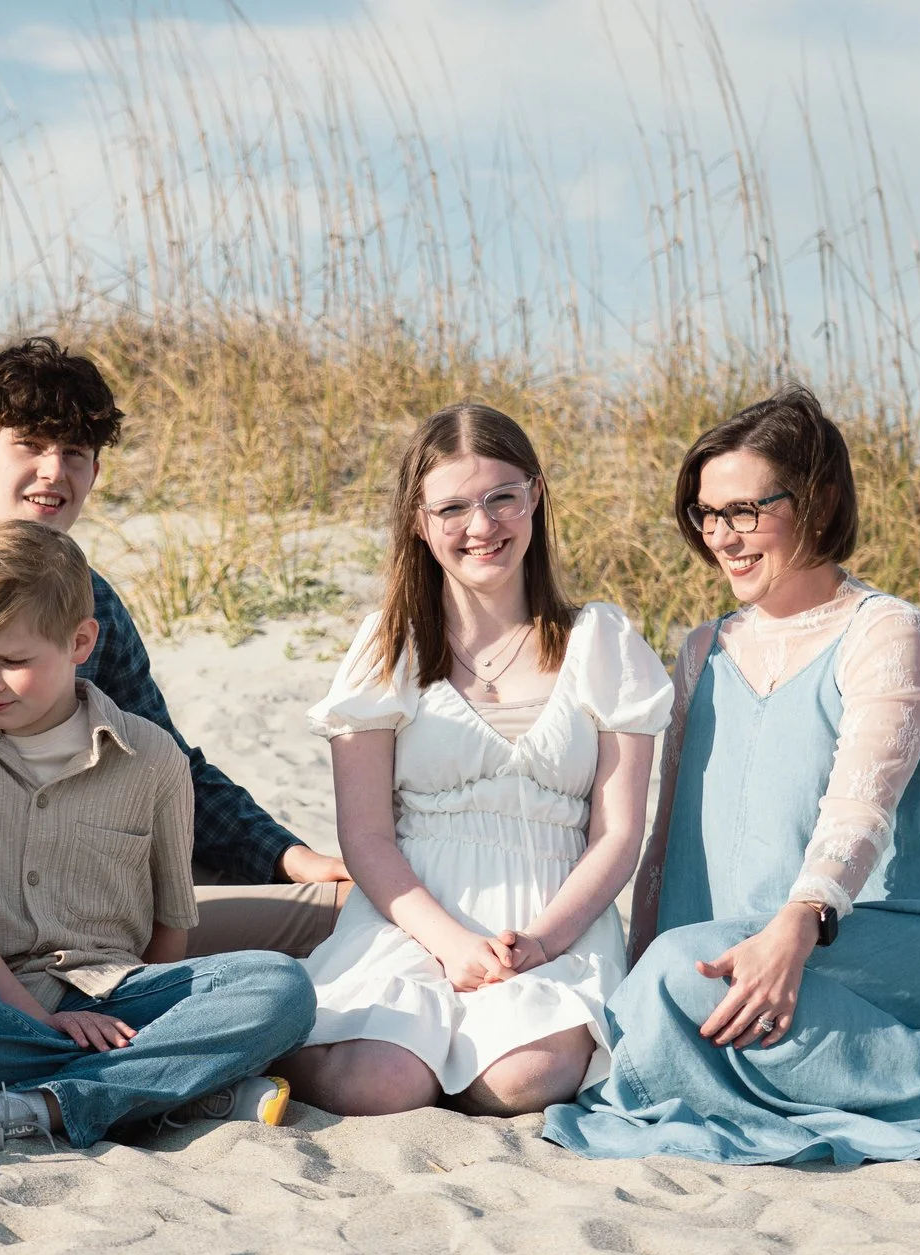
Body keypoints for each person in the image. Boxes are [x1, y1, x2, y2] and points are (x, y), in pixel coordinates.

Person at [544, 387, 920, 1167]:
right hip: (740, 962)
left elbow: (861, 808)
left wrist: (798, 924)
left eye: (746, 510)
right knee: (654, 1016)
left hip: (908, 944)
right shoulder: (700, 651)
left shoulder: (886, 631)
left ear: (818, 500)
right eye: (707, 514)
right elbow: (669, 840)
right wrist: (645, 969)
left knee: (681, 1007)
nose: (722, 536)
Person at [0, 337, 350, 958]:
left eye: (74, 453)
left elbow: (162, 760)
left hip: (92, 914)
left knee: (350, 913)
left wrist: (287, 856)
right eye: (30, 446)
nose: (54, 472)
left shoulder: (91, 602)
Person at [0, 521, 318, 1168]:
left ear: (81, 641)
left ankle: (42, 1107)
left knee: (281, 986)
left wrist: (139, 1012)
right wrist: (36, 1014)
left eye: (14, 661)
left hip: (116, 997)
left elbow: (170, 926)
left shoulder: (155, 757)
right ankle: (168, 1094)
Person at [273, 406, 673, 1117]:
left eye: (501, 498)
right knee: (379, 1085)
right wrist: (451, 944)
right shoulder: (386, 646)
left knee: (522, 1079)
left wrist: (544, 940)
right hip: (413, 914)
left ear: (536, 496)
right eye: (452, 507)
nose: (481, 526)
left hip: (555, 920)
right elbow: (366, 836)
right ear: (419, 522)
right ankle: (278, 1056)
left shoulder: (602, 641)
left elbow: (618, 834)